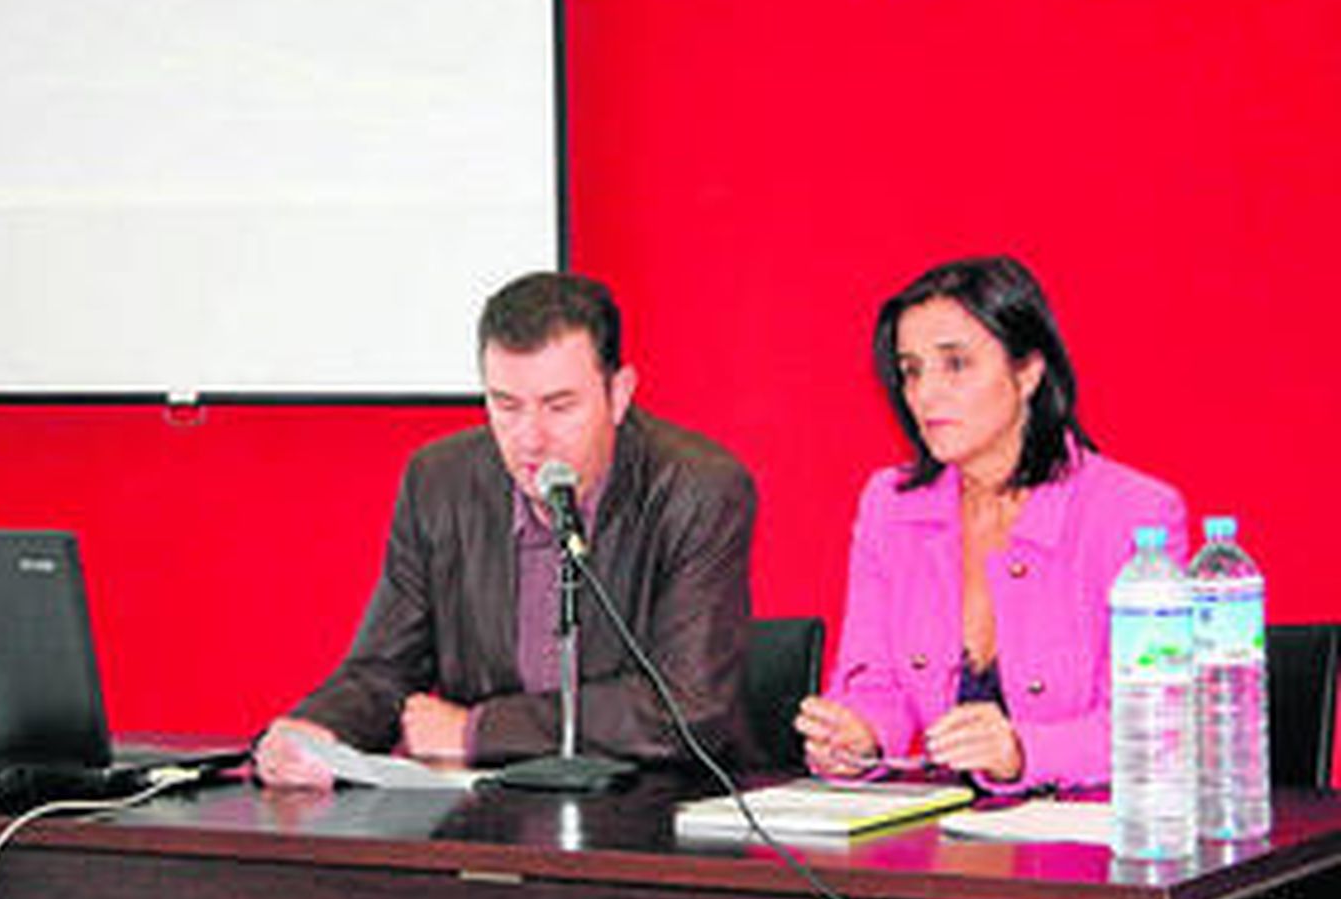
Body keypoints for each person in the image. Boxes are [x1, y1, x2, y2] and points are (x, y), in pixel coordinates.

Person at [255, 271, 756, 787]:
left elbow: (688, 707)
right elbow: (384, 669)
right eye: (506, 405)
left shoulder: (697, 490)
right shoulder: (440, 482)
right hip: (490, 806)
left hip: (659, 802)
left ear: (619, 393)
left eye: (560, 407)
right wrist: (320, 730)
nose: (530, 439)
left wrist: (479, 731)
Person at [796, 255, 1187, 791]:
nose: (925, 393)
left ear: (1028, 371)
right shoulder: (890, 506)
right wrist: (859, 735)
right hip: (946, 833)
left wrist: (1024, 751)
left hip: (1085, 829)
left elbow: (1157, 726)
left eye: (955, 364)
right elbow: (876, 685)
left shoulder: (1132, 513)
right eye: (912, 370)